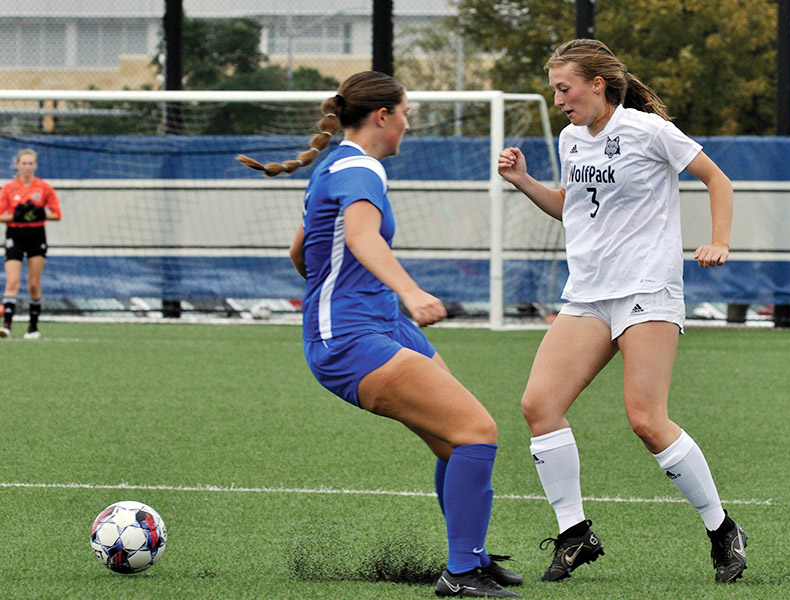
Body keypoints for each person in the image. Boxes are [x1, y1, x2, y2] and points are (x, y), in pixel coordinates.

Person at [238, 71, 523, 599]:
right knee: (477, 431)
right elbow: (361, 236)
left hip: (377, 323)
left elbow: (301, 253)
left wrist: (345, 290)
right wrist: (411, 293)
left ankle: (472, 559)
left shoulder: (335, 164)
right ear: (382, 117)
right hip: (350, 338)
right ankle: (460, 574)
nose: (409, 125)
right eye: (406, 114)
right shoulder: (361, 169)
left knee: (454, 441)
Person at [497, 39, 747, 584]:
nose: (559, 98)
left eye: (565, 88)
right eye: (555, 89)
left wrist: (719, 240)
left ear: (597, 85)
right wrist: (523, 183)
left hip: (647, 289)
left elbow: (717, 179)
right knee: (539, 406)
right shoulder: (570, 138)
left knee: (645, 420)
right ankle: (574, 533)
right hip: (588, 293)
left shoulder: (647, 130)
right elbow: (573, 208)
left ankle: (722, 529)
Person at [0, 149, 62, 340]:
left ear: (35, 165)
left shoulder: (44, 188)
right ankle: (6, 326)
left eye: (30, 163)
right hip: (15, 235)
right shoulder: (9, 188)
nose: (27, 167)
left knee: (34, 285)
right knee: (12, 282)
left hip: (36, 236)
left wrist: (39, 214)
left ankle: (33, 327)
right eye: (23, 163)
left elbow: (57, 214)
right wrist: (16, 216)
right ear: (17, 165)